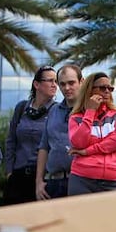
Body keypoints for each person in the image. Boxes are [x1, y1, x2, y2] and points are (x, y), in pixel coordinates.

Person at [67, 72, 116, 195]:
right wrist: (90, 112)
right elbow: (79, 143)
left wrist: (87, 151)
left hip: (113, 180)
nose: (107, 91)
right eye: (102, 88)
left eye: (110, 88)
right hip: (82, 179)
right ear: (89, 90)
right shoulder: (76, 117)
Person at [3, 65, 56, 205]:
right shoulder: (21, 108)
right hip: (18, 176)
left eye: (55, 81)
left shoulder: (56, 110)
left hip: (43, 178)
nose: (54, 85)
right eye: (50, 80)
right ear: (36, 84)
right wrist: (9, 171)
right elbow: (11, 141)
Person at [36, 64, 82, 200]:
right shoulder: (53, 111)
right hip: (53, 183)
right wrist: (38, 182)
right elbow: (44, 147)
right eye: (62, 84)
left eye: (71, 83)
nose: (66, 88)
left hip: (81, 181)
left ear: (82, 82)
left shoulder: (91, 111)